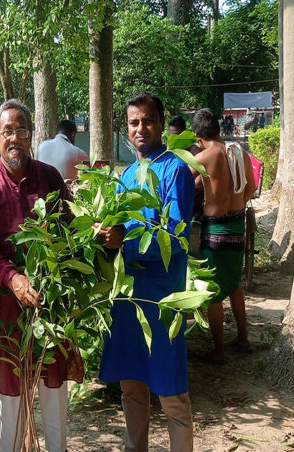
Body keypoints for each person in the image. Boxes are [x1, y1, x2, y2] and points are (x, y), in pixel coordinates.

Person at [0, 99, 82, 452]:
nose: (14, 138)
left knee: (53, 385)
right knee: (11, 389)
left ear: (31, 135)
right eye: (7, 131)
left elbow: (70, 227)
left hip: (50, 303)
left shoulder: (48, 176)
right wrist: (12, 277)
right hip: (7, 304)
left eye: (21, 130)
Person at [98, 93, 195, 452]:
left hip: (162, 297)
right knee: (131, 385)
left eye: (148, 120)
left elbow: (175, 237)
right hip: (127, 298)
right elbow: (116, 230)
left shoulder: (175, 170)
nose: (141, 128)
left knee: (171, 392)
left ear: (161, 123)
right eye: (134, 122)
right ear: (127, 128)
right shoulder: (125, 174)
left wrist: (125, 240)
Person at [190, 108, 257, 364]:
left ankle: (218, 351)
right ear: (217, 129)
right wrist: (237, 205)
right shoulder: (239, 153)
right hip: (237, 226)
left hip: (215, 229)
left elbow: (180, 182)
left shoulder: (205, 156)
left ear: (198, 136)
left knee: (212, 293)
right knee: (233, 284)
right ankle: (243, 337)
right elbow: (250, 187)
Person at [167, 115, 205, 255]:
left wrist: (181, 191)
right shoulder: (171, 152)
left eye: (177, 136)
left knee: (192, 253)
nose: (174, 140)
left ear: (184, 134)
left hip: (193, 210)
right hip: (175, 209)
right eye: (171, 136)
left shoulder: (196, 153)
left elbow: (200, 181)